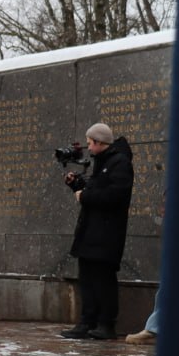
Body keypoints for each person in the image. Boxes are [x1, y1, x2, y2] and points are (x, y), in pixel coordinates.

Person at [60, 122, 134, 341]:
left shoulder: (119, 163)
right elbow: (96, 191)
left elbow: (115, 196)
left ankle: (106, 324)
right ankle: (87, 322)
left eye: (91, 143)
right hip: (91, 233)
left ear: (101, 143)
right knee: (88, 279)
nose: (88, 147)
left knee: (103, 280)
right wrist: (77, 186)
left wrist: (84, 196)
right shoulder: (102, 162)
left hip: (107, 234)